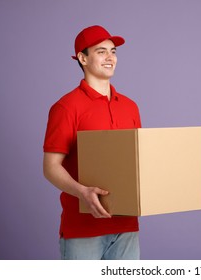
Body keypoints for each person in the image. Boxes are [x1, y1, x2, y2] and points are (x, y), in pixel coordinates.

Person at [43, 25, 141, 260]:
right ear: (82, 58)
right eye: (101, 51)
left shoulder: (130, 107)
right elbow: (50, 167)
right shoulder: (66, 107)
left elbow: (138, 161)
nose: (110, 57)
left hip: (126, 227)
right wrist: (82, 192)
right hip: (82, 229)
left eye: (113, 51)